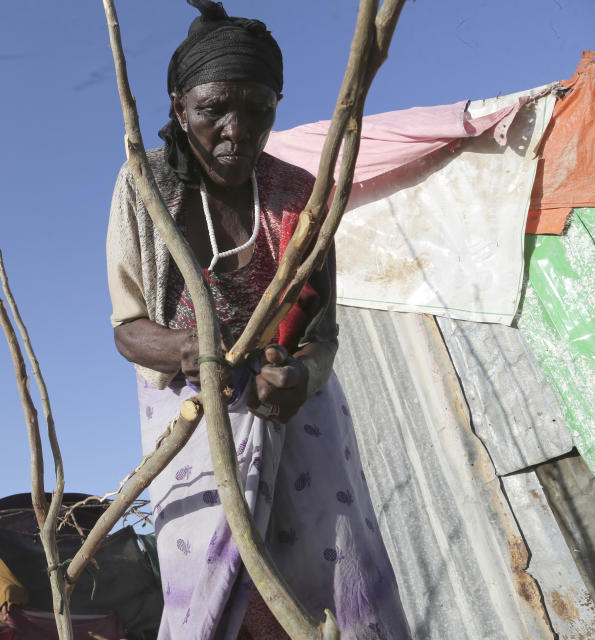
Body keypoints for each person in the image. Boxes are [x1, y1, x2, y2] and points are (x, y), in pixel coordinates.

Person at [105, 2, 412, 639]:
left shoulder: (304, 191)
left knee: (337, 572)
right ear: (177, 105)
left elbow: (322, 333)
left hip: (295, 404)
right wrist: (192, 350)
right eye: (213, 109)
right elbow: (129, 328)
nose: (236, 130)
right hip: (193, 412)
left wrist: (297, 376)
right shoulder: (147, 187)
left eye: (258, 108)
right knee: (215, 589)